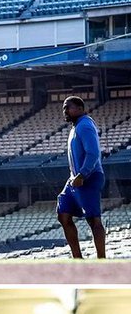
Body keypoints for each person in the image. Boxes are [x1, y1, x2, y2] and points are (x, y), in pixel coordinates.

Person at [57, 96, 106, 259]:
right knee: (63, 213)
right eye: (64, 108)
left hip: (88, 177)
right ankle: (77, 259)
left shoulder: (85, 125)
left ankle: (101, 260)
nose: (65, 111)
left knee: (93, 220)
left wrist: (83, 174)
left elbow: (93, 153)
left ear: (80, 108)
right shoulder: (75, 127)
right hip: (75, 179)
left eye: (68, 107)